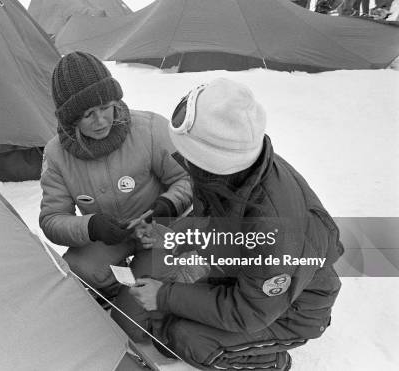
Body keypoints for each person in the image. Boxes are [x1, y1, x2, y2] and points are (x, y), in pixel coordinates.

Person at [128, 78, 343, 370]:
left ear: (209, 160)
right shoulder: (236, 172)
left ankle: (269, 361)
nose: (185, 164)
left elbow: (250, 311)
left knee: (182, 338)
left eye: (190, 157)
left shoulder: (275, 232)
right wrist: (174, 237)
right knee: (170, 319)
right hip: (248, 282)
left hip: (293, 311)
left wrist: (163, 295)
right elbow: (218, 223)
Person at [39, 51, 193, 306]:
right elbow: (52, 219)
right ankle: (113, 293)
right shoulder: (56, 155)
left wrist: (167, 206)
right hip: (108, 239)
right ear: (70, 118)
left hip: (157, 230)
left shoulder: (150, 129)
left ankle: (145, 292)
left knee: (145, 288)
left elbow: (189, 179)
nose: (101, 121)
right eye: (88, 114)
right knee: (81, 269)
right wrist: (91, 226)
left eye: (105, 108)